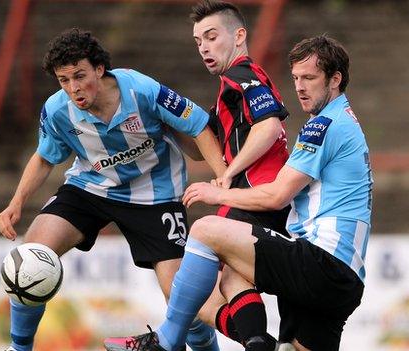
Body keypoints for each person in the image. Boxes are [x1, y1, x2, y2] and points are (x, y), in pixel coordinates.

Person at [106, 35, 373, 351]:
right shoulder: (342, 121)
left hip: (322, 262)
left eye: (310, 78)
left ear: (336, 79)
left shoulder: (324, 125)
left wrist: (219, 194)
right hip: (344, 279)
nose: (300, 86)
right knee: (231, 278)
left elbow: (276, 195)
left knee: (206, 230)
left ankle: (166, 341)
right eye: (296, 78)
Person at [0, 28, 228, 351]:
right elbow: (44, 157)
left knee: (184, 301)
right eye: (64, 80)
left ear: (100, 69)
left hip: (155, 194)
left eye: (80, 76)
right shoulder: (57, 110)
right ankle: (19, 348)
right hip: (91, 189)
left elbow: (199, 125)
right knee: (30, 256)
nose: (74, 89)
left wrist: (224, 181)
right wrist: (16, 202)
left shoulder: (141, 91)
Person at [104, 1, 291, 350]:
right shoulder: (228, 91)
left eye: (211, 36)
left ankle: (166, 339)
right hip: (260, 197)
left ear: (239, 35)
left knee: (198, 255)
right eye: (197, 41)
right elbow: (202, 147)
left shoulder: (241, 74)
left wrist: (227, 177)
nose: (204, 46)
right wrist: (165, 124)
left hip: (254, 193)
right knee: (231, 282)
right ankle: (260, 344)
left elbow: (269, 126)